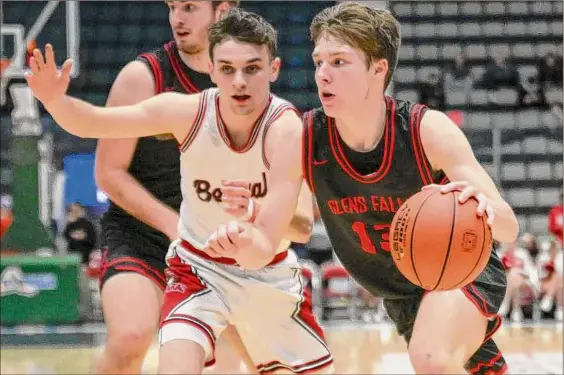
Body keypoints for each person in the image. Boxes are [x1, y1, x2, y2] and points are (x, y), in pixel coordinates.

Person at [206, 3, 519, 374]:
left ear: (378, 68)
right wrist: (241, 241)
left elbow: (508, 227)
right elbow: (266, 242)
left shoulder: (426, 131)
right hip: (401, 290)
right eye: (319, 61)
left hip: (461, 268)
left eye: (339, 62)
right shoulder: (300, 137)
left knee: (432, 358)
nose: (323, 74)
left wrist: (485, 207)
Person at [24, 8, 332, 375]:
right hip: (195, 269)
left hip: (266, 277)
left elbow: (275, 239)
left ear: (273, 69)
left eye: (252, 69)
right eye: (228, 69)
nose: (239, 82)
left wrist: (248, 225)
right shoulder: (184, 110)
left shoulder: (286, 129)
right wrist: (55, 101)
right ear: (212, 71)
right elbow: (94, 122)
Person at [91, 1, 255, 373]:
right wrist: (172, 225)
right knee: (130, 336)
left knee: (247, 356)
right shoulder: (142, 77)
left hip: (214, 238)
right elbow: (108, 172)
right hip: (141, 233)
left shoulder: (240, 79)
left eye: (190, 7)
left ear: (223, 10)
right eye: (172, 7)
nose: (177, 19)